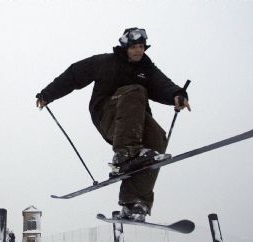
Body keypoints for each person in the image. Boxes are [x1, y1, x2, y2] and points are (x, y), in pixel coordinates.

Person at [36, 27, 190, 222]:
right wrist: (48, 94)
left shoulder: (146, 69)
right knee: (135, 91)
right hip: (107, 115)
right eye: (134, 47)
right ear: (125, 47)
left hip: (135, 124)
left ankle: (134, 202)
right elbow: (74, 74)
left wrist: (177, 95)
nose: (138, 51)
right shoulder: (105, 62)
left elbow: (163, 85)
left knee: (157, 138)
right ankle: (125, 153)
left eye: (142, 47)